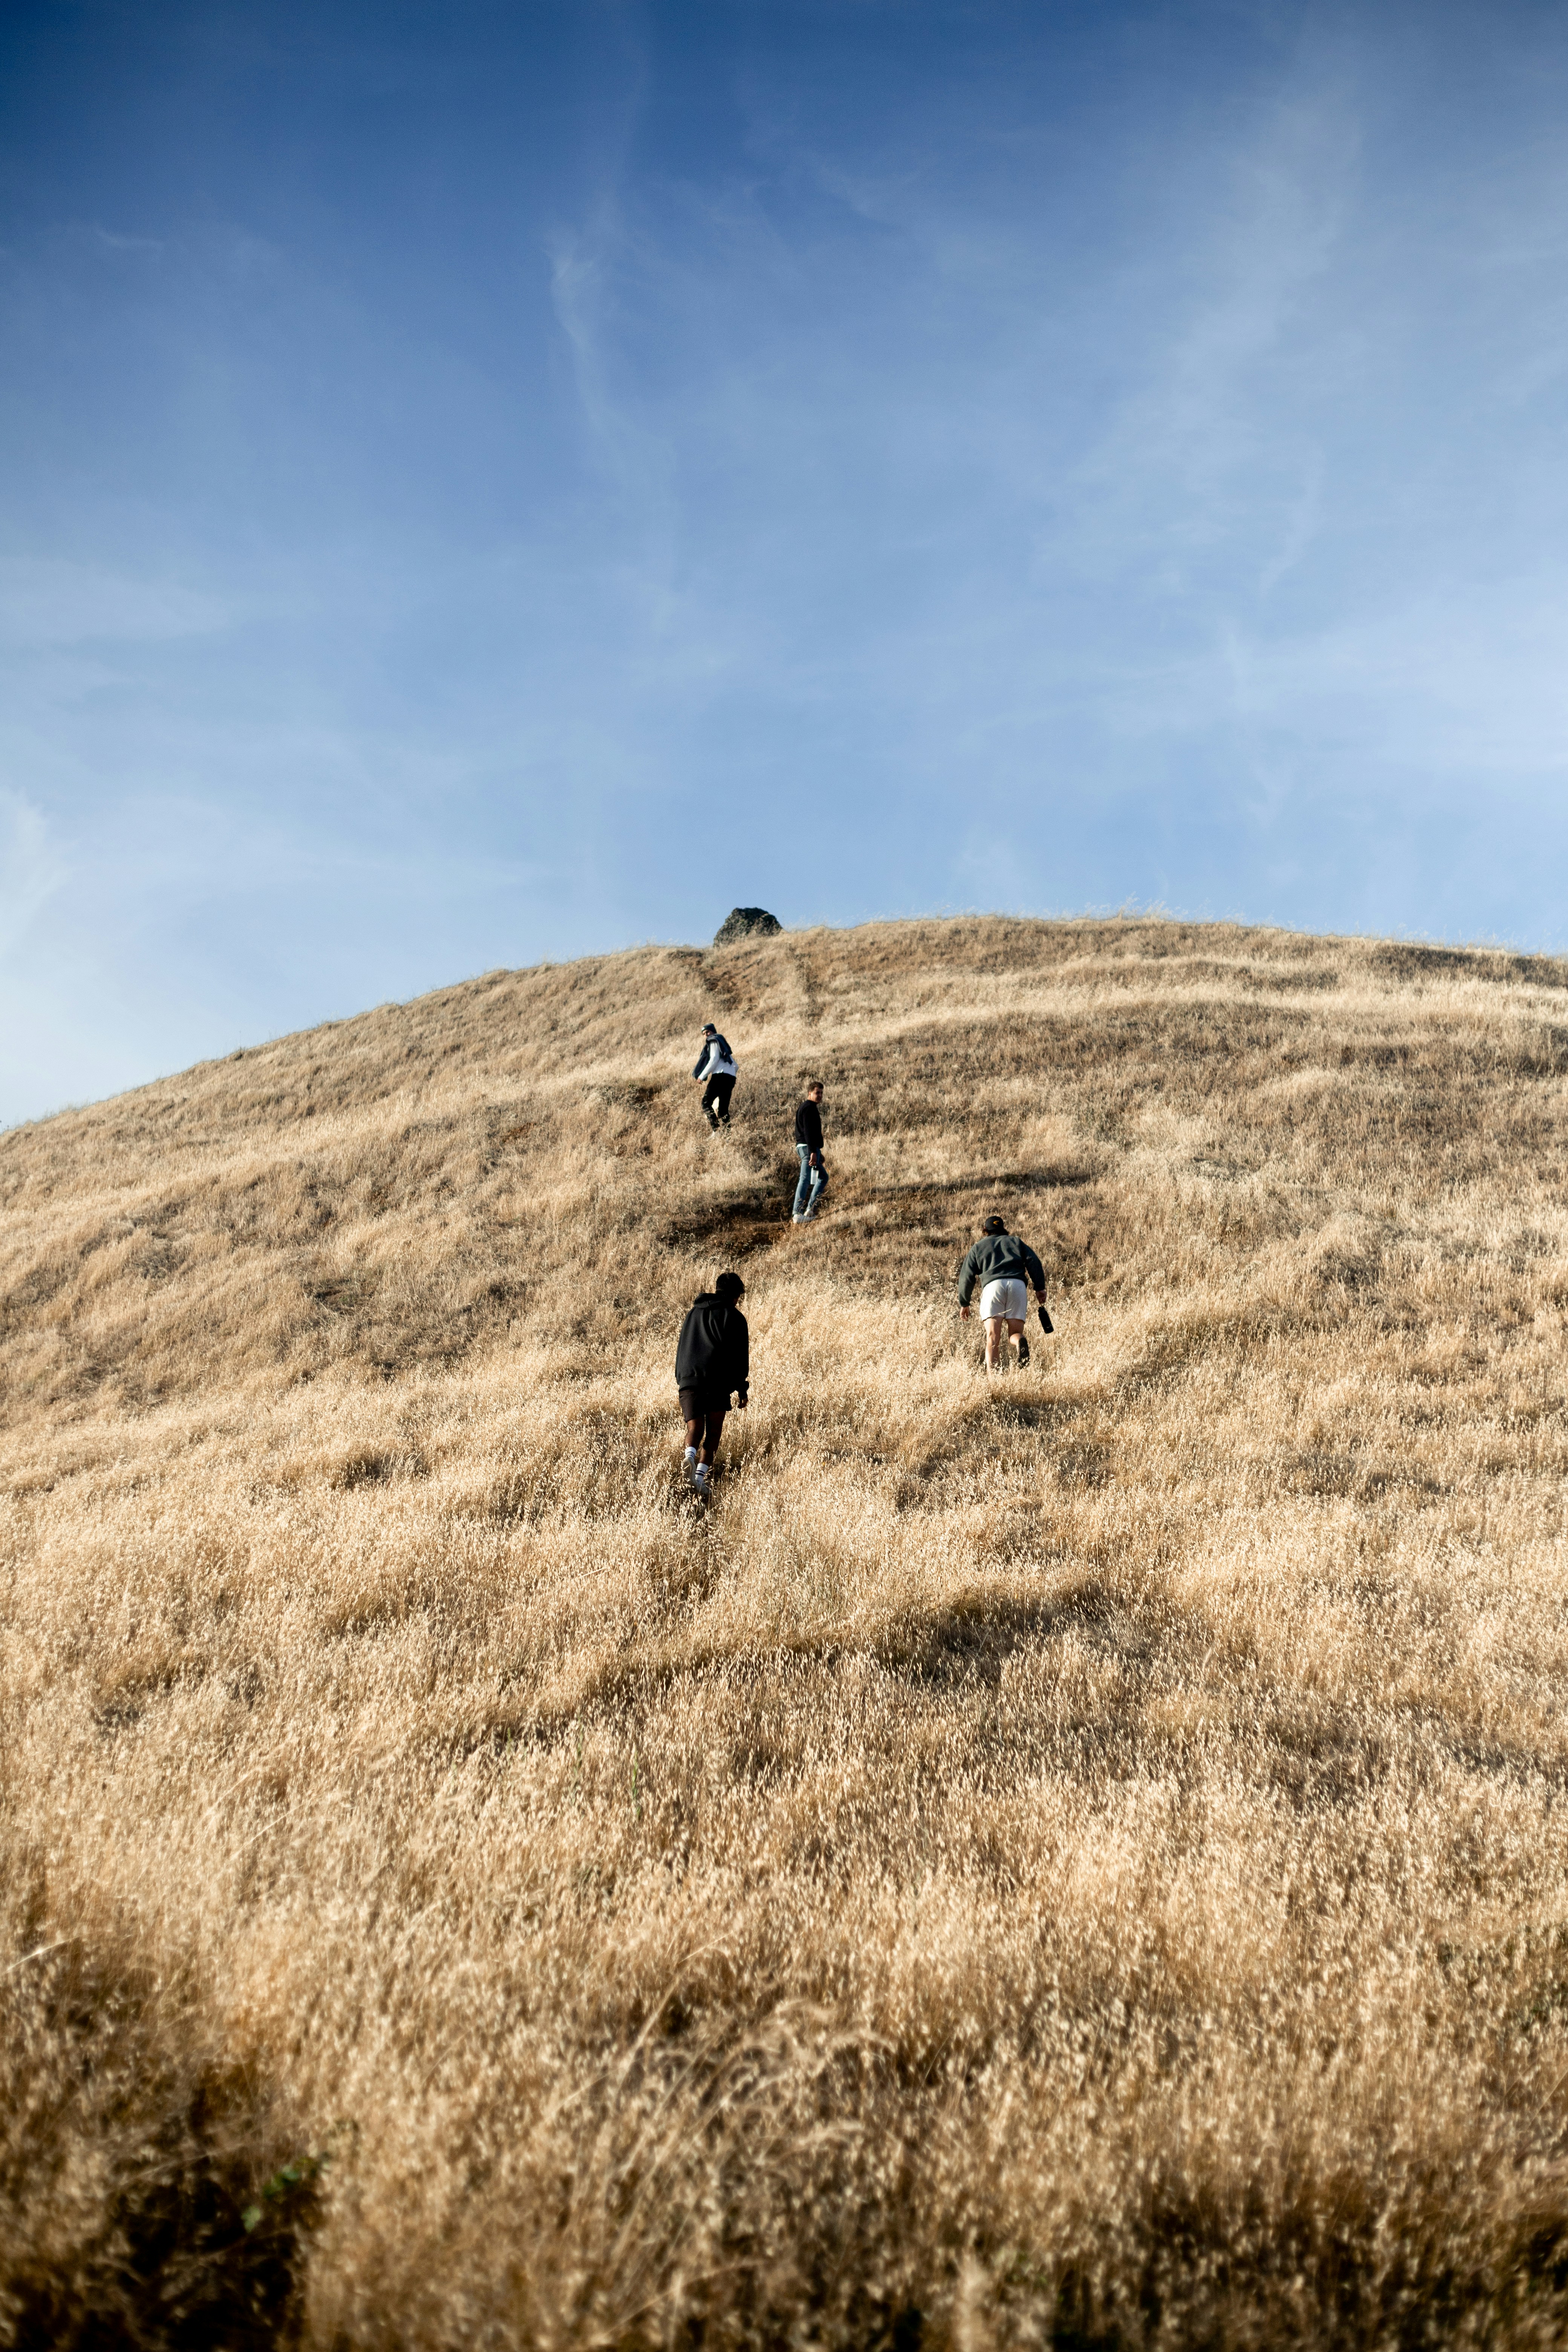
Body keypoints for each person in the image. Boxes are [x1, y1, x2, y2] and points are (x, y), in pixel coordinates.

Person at [675, 1270, 749, 1495]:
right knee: (714, 1431)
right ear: (736, 1295)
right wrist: (742, 1389)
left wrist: (682, 1378)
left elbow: (683, 1346)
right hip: (716, 1382)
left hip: (688, 1379)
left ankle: (689, 1457)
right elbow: (739, 1358)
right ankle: (699, 1479)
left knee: (695, 1427)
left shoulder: (692, 1313)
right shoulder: (735, 1317)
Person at [956, 1214, 1049, 1374]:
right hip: (1017, 1286)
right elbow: (1034, 1261)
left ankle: (995, 1382)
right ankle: (1020, 1341)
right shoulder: (1016, 1242)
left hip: (993, 1288)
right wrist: (1039, 1287)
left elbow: (967, 1276)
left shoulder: (979, 1247)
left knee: (993, 1337)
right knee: (1015, 1333)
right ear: (1003, 1229)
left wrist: (965, 1302)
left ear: (985, 1230)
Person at [692, 1023, 738, 1131]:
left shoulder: (714, 1040)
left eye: (708, 1032)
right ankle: (728, 1136)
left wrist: (702, 1075)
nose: (706, 1035)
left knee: (706, 1103)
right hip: (731, 1078)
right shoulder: (723, 1046)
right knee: (723, 1110)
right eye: (704, 1034)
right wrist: (731, 1075)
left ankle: (716, 1130)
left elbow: (714, 1059)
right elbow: (736, 1066)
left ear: (713, 1031)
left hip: (720, 1077)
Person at [792, 1081, 827, 1222]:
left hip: (809, 1148)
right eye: (817, 1093)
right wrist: (813, 1151)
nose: (820, 1095)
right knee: (805, 1179)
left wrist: (818, 1152)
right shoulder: (809, 1108)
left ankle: (809, 1210)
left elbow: (811, 1133)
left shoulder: (809, 1107)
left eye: (821, 1093)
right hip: (808, 1149)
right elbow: (808, 1131)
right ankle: (797, 1213)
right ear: (810, 1093)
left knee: (822, 1177)